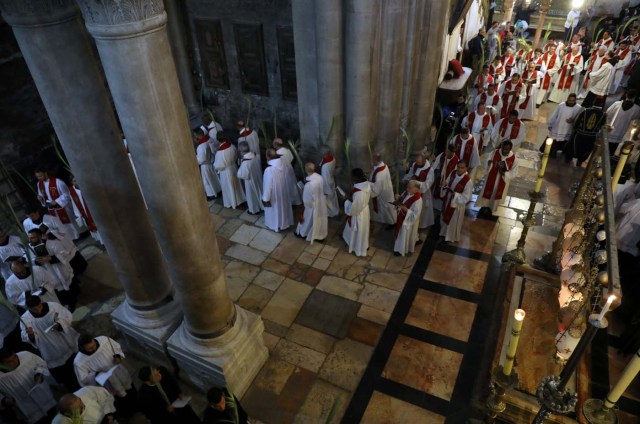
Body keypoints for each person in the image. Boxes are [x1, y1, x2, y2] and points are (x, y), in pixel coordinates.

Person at [21, 296, 79, 391]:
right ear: (29, 308)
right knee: (66, 376)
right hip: (50, 349)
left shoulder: (53, 306)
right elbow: (25, 336)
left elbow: (67, 316)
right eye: (35, 309)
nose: (39, 310)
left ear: (41, 302)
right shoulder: (25, 319)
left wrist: (60, 324)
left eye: (39, 306)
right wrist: (30, 335)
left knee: (76, 364)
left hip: (65, 341)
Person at [74, 334, 136, 414]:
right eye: (89, 348)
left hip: (118, 370)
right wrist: (96, 374)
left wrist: (118, 357)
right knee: (119, 398)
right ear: (82, 348)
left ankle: (137, 404)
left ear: (93, 339)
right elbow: (84, 379)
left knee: (130, 389)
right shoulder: (79, 361)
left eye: (94, 345)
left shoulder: (104, 340)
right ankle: (127, 412)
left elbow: (117, 348)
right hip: (107, 381)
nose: (93, 348)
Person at [0, 348, 56, 424]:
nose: (15, 361)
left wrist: (38, 373)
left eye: (15, 357)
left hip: (44, 397)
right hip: (28, 408)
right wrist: (5, 401)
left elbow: (41, 363)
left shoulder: (26, 355)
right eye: (9, 361)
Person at [27, 228, 78, 310]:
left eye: (32, 238)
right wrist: (36, 261)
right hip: (46, 272)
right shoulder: (30, 248)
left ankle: (72, 303)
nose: (30, 240)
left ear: (40, 236)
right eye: (29, 238)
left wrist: (51, 258)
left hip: (59, 270)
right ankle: (63, 304)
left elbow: (64, 254)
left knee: (67, 287)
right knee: (56, 290)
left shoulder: (52, 243)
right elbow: (29, 259)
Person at [34, 168, 80, 240]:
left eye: (41, 176)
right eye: (37, 177)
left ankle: (77, 236)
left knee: (69, 223)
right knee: (59, 224)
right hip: (52, 209)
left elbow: (67, 194)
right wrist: (40, 198)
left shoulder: (58, 182)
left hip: (63, 207)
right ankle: (69, 238)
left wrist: (57, 201)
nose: (39, 178)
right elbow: (41, 194)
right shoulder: (39, 184)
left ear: (45, 173)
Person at [476, 141, 519, 215]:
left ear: (510, 149)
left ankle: (492, 207)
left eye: (507, 149)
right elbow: (487, 163)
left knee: (496, 193)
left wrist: (505, 173)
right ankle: (484, 206)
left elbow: (514, 172)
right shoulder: (494, 153)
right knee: (488, 190)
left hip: (502, 179)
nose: (504, 151)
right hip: (491, 177)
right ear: (501, 147)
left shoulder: (514, 158)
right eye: (503, 149)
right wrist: (489, 164)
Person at [440, 161, 473, 243]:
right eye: (458, 167)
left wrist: (456, 195)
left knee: (453, 221)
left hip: (457, 204)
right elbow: (447, 182)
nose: (459, 169)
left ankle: (450, 237)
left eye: (462, 168)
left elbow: (467, 197)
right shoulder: (453, 173)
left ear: (466, 168)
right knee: (445, 216)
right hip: (448, 199)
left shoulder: (468, 181)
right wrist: (444, 185)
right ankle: (443, 233)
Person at [262, 148, 294, 232]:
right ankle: (285, 223)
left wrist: (265, 198)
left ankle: (276, 225)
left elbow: (268, 186)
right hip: (284, 190)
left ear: (268, 157)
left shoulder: (269, 170)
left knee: (275, 209)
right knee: (283, 208)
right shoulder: (282, 163)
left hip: (275, 194)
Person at [341, 168, 371, 257]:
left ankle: (358, 247)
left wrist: (346, 200)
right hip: (364, 210)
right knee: (362, 230)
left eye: (352, 176)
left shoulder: (359, 193)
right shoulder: (366, 183)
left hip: (359, 214)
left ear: (356, 178)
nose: (351, 178)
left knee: (359, 230)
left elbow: (353, 210)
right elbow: (358, 202)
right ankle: (362, 244)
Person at [296, 163, 327, 243]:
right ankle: (320, 236)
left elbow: (307, 201)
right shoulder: (319, 177)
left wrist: (303, 192)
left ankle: (303, 233)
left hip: (312, 206)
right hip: (321, 202)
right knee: (320, 220)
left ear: (306, 170)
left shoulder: (308, 185)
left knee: (308, 220)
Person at [402, 153, 435, 228]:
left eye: (419, 162)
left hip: (423, 194)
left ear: (424, 161)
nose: (417, 164)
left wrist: (415, 183)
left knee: (419, 213)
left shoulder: (430, 170)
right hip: (411, 191)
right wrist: (406, 179)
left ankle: (419, 227)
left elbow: (427, 184)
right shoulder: (415, 164)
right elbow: (410, 174)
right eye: (417, 162)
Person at [546, 93, 584, 157]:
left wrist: (573, 120)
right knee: (555, 141)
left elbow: (579, 119)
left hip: (568, 129)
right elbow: (554, 115)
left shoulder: (578, 108)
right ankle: (552, 153)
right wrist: (550, 124)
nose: (571, 102)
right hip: (558, 127)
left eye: (573, 100)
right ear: (567, 99)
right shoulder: (561, 105)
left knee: (566, 141)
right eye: (570, 100)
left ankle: (563, 153)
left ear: (575, 100)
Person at [214, 132, 246, 209]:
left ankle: (233, 202)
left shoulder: (219, 152)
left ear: (218, 140)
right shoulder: (232, 146)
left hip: (225, 172)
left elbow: (218, 165)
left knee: (230, 187)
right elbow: (236, 155)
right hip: (233, 168)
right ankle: (240, 200)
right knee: (237, 185)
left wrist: (215, 166)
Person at [393, 180, 423, 257]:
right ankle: (399, 247)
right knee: (400, 234)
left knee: (404, 235)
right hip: (402, 217)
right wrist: (398, 197)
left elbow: (415, 215)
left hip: (407, 221)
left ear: (416, 189)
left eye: (409, 188)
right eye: (407, 187)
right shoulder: (408, 192)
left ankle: (401, 250)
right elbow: (403, 199)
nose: (407, 189)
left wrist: (405, 209)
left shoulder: (418, 200)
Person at [68, 177, 101, 244]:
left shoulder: (86, 186)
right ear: (72, 183)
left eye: (77, 180)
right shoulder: (72, 191)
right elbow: (74, 203)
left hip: (93, 210)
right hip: (85, 213)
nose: (76, 182)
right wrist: (78, 215)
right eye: (74, 181)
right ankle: (100, 241)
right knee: (93, 228)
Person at [369, 153, 397, 227]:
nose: (371, 162)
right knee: (389, 208)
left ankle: (391, 223)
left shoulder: (379, 174)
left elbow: (376, 191)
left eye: (372, 160)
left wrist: (368, 185)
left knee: (386, 210)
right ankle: (391, 221)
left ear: (376, 160)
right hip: (387, 190)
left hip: (382, 194)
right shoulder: (383, 165)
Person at [194, 128, 221, 201]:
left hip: (205, 165)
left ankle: (212, 194)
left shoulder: (201, 146)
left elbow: (201, 159)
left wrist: (194, 159)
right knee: (214, 179)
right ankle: (218, 191)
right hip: (212, 162)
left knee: (208, 181)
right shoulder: (210, 139)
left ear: (197, 135)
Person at [236, 141, 263, 214]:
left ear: (241, 151)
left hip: (250, 180)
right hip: (257, 176)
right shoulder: (255, 155)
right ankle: (262, 206)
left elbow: (241, 174)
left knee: (251, 195)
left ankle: (254, 210)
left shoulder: (246, 162)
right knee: (259, 191)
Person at [273, 138, 302, 205]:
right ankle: (296, 200)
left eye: (273, 143)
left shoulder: (276, 154)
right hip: (289, 169)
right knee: (292, 185)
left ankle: (290, 201)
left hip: (282, 171)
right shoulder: (287, 150)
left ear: (276, 145)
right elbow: (291, 158)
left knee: (285, 186)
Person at [432, 144, 460, 211]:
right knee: (436, 196)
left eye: (448, 152)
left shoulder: (456, 161)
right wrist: (433, 162)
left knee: (444, 198)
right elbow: (435, 165)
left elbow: (455, 174)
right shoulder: (442, 155)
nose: (446, 153)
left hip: (447, 182)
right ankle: (434, 209)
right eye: (446, 151)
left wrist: (448, 182)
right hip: (439, 179)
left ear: (452, 152)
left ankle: (440, 211)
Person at [319, 146, 340, 217]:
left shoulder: (325, 166)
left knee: (328, 198)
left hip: (326, 182)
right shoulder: (332, 158)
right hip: (331, 179)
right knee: (333, 197)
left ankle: (333, 212)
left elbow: (325, 177)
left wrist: (324, 187)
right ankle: (335, 209)